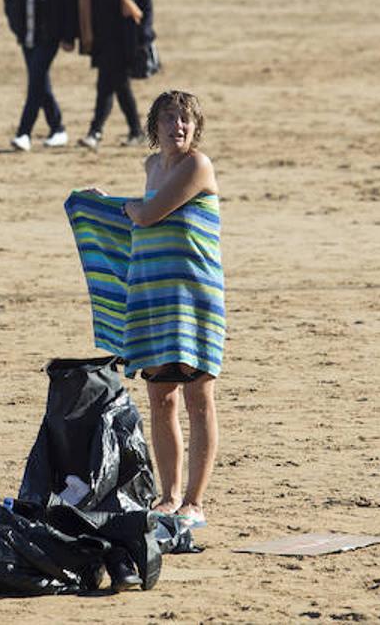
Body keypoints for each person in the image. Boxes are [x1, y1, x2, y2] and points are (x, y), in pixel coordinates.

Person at [115, 90, 223, 528]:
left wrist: (124, 207)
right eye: (169, 119)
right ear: (154, 127)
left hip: (194, 297)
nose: (178, 126)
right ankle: (169, 495)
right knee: (161, 398)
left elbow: (148, 215)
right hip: (154, 298)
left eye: (185, 120)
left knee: (198, 397)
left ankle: (194, 501)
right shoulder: (150, 167)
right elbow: (142, 213)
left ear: (195, 129)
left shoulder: (198, 166)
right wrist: (106, 204)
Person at [3, 0, 78, 151]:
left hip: (50, 37)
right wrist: (15, 25)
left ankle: (23, 133)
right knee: (40, 83)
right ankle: (58, 129)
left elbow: (71, 5)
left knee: (35, 81)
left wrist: (69, 36)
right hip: (26, 36)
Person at [77, 0, 152, 150]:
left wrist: (145, 36)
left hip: (125, 41)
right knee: (117, 86)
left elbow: (146, 6)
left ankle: (95, 132)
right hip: (100, 41)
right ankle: (135, 131)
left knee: (108, 85)